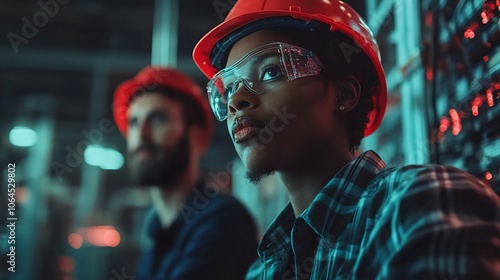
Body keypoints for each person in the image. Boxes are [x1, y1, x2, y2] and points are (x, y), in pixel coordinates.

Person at [192, 0, 500, 279]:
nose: (237, 101)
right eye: (229, 88)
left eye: (271, 71)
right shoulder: (262, 271)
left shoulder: (424, 203)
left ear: (345, 94)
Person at [113, 66, 258, 280]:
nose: (141, 134)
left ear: (197, 137)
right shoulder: (157, 233)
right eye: (134, 122)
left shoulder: (223, 221)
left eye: (158, 119)